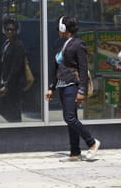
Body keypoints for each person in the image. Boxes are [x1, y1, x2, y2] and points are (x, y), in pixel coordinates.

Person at [45, 15, 100, 161]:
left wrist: (82, 90)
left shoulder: (78, 44)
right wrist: (52, 87)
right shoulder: (61, 44)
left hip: (72, 85)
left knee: (69, 117)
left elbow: (83, 68)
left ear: (64, 28)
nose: (58, 30)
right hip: (62, 85)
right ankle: (75, 152)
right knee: (71, 119)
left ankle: (92, 142)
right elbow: (57, 68)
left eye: (59, 27)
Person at [0, 17, 26, 122]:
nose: (9, 32)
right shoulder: (6, 44)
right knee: (3, 109)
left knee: (13, 110)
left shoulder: (18, 45)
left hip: (14, 84)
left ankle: (17, 131)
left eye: (12, 30)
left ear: (16, 31)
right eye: (7, 29)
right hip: (5, 81)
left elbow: (16, 67)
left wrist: (7, 85)